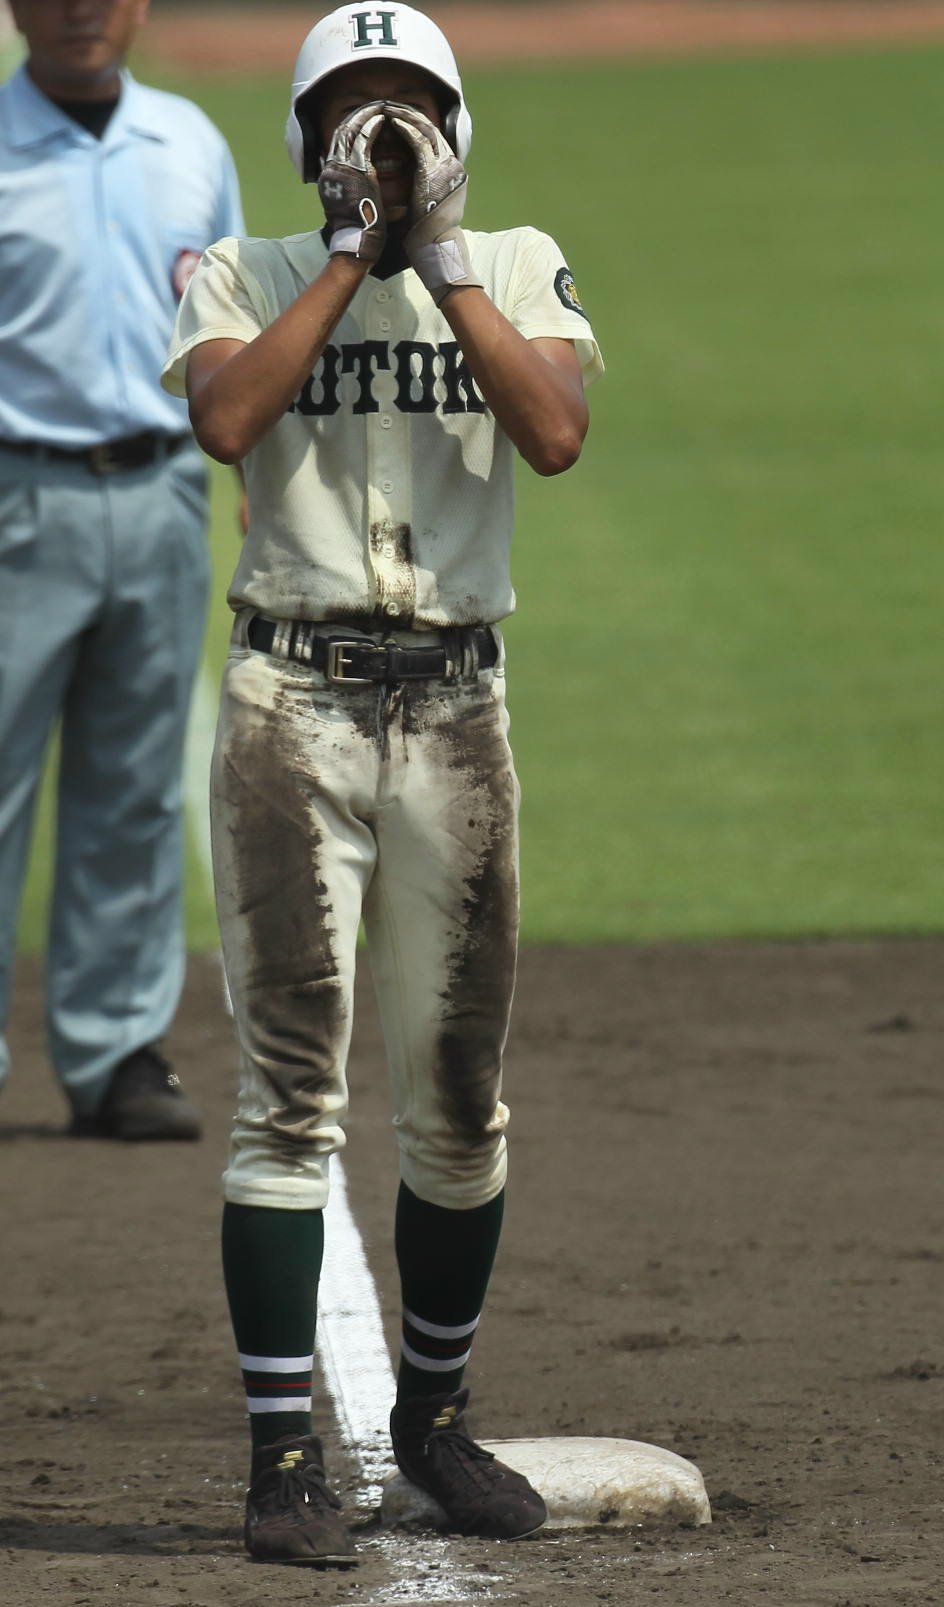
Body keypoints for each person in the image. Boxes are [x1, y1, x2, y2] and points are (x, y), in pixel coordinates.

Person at [163, 1, 603, 1565]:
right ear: (305, 136)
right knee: (290, 1093)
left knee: (463, 1102)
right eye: (353, 110)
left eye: (407, 108)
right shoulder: (251, 272)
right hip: (292, 708)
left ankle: (432, 1417)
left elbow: (553, 428)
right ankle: (284, 1452)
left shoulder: (520, 260)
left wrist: (440, 253)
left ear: (457, 126)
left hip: (457, 716)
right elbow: (223, 416)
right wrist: (349, 250)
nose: (382, 132)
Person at [0, 0, 244, 1140]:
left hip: (160, 494)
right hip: (14, 495)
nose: (79, 5)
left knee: (138, 786)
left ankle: (116, 1055)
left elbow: (231, 329)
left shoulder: (190, 144)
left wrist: (256, 478)